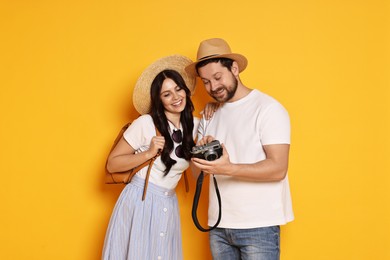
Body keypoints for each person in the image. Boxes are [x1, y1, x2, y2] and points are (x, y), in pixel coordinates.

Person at [186, 38, 294, 260]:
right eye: (206, 82)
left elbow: (277, 169)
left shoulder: (268, 109)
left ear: (234, 69)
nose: (213, 87)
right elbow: (196, 174)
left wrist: (228, 168)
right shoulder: (209, 115)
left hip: (259, 225)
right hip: (218, 225)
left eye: (218, 77)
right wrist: (199, 156)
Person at [102, 55, 199, 260]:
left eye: (178, 89)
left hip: (168, 203)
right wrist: (148, 153)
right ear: (159, 100)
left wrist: (211, 112)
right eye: (167, 94)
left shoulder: (196, 126)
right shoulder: (146, 123)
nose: (175, 97)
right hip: (140, 200)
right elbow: (112, 164)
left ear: (186, 90)